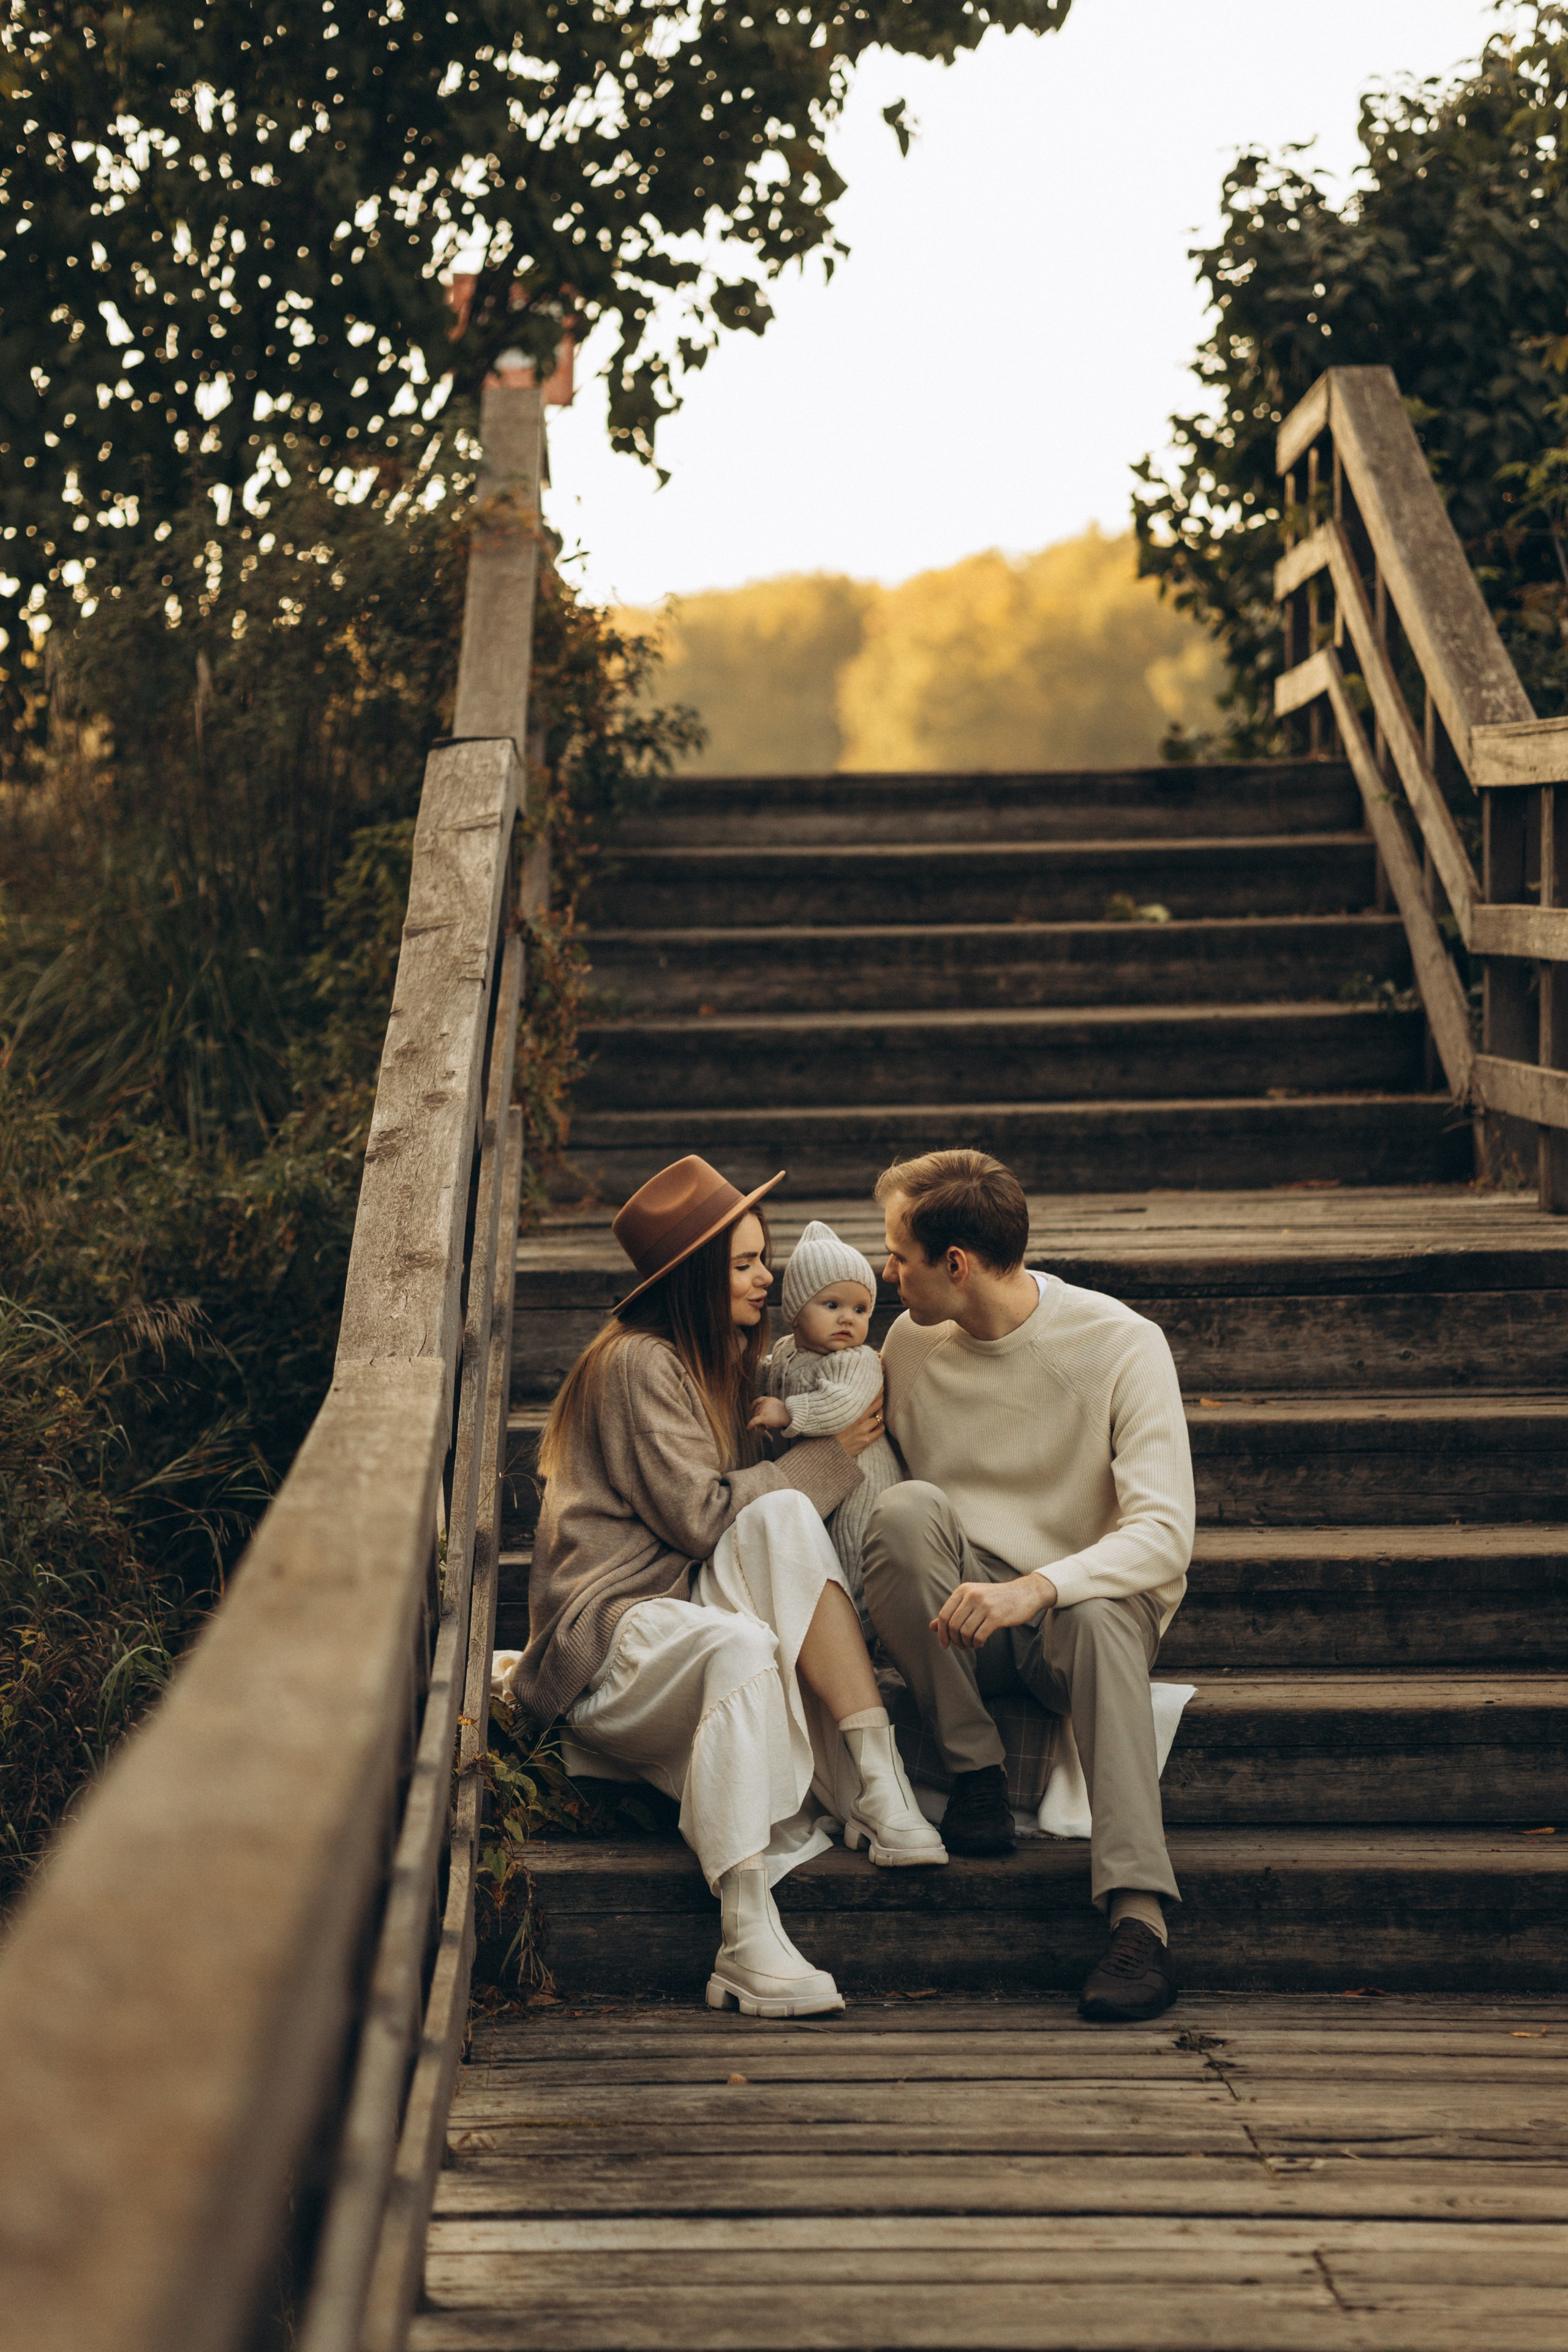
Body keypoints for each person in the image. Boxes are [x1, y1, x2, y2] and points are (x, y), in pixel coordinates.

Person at [516, 1154, 947, 2021]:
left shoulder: (722, 1366)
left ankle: (875, 1771)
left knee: (783, 1520)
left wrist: (811, 1448)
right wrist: (832, 1456)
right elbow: (703, 1519)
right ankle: (746, 1935)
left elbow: (755, 1516)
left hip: (679, 1601)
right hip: (615, 1635)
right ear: (692, 1281)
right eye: (745, 1263)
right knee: (747, 1639)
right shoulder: (638, 1363)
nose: (768, 1277)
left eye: (764, 1257)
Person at [861, 1148, 1194, 2024]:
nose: (885, 1273)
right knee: (900, 1512)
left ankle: (1139, 1921)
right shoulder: (907, 1342)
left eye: (898, 1255)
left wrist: (1043, 1586)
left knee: (1096, 1621)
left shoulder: (1122, 1345)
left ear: (956, 1266)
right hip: (959, 1628)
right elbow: (886, 1502)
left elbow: (1164, 1535)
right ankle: (974, 1775)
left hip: (1074, 1621)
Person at [748, 1218, 903, 1623]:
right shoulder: (785, 1350)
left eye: (860, 1309)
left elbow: (844, 1406)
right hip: (818, 1476)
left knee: (851, 1551)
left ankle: (865, 1635)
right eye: (832, 1306)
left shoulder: (856, 1361)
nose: (848, 1319)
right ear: (796, 1313)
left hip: (862, 1485)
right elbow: (772, 1376)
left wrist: (787, 1412)